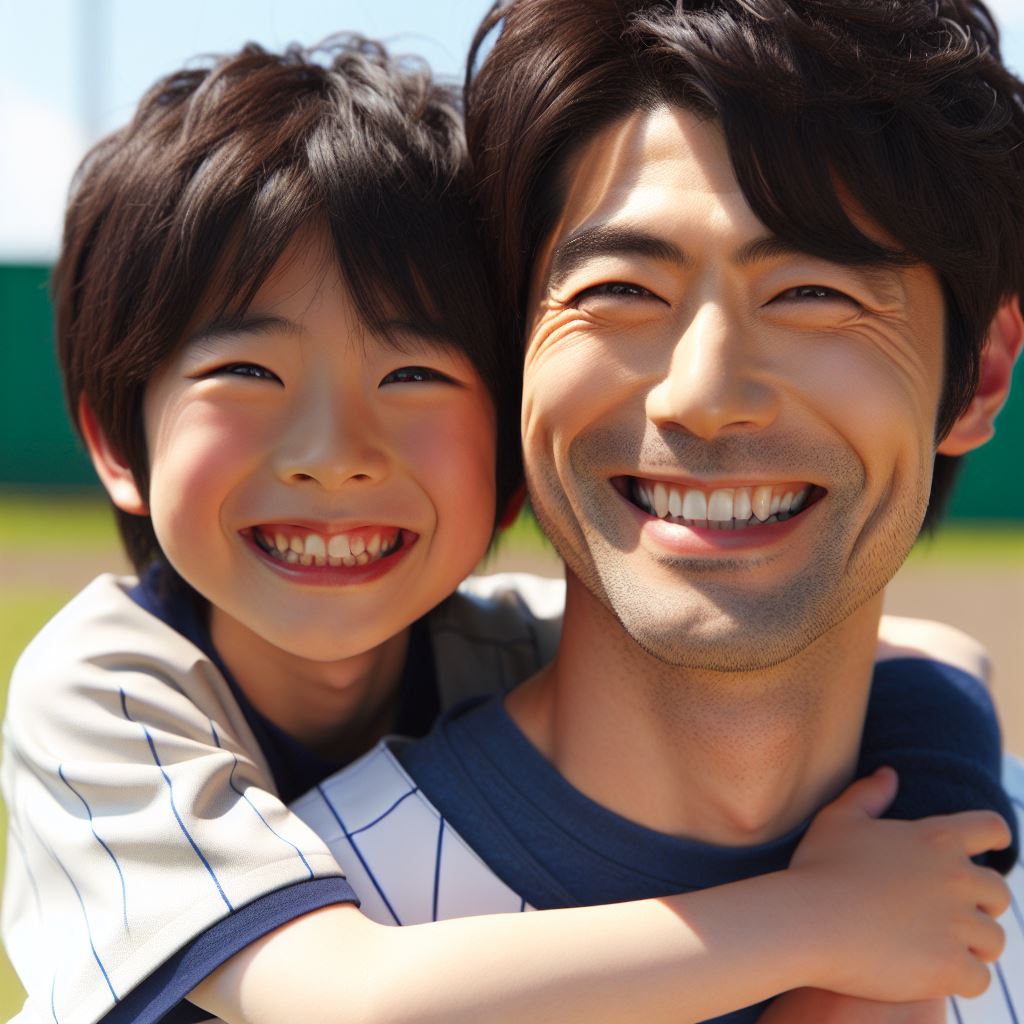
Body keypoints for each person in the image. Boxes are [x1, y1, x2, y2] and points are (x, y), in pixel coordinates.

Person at [0, 26, 1014, 1024]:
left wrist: (937, 814)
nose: (335, 453)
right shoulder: (106, 691)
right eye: (621, 289)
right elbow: (353, 996)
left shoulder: (481, 639)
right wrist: (824, 929)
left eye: (412, 375)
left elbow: (932, 651)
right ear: (116, 443)